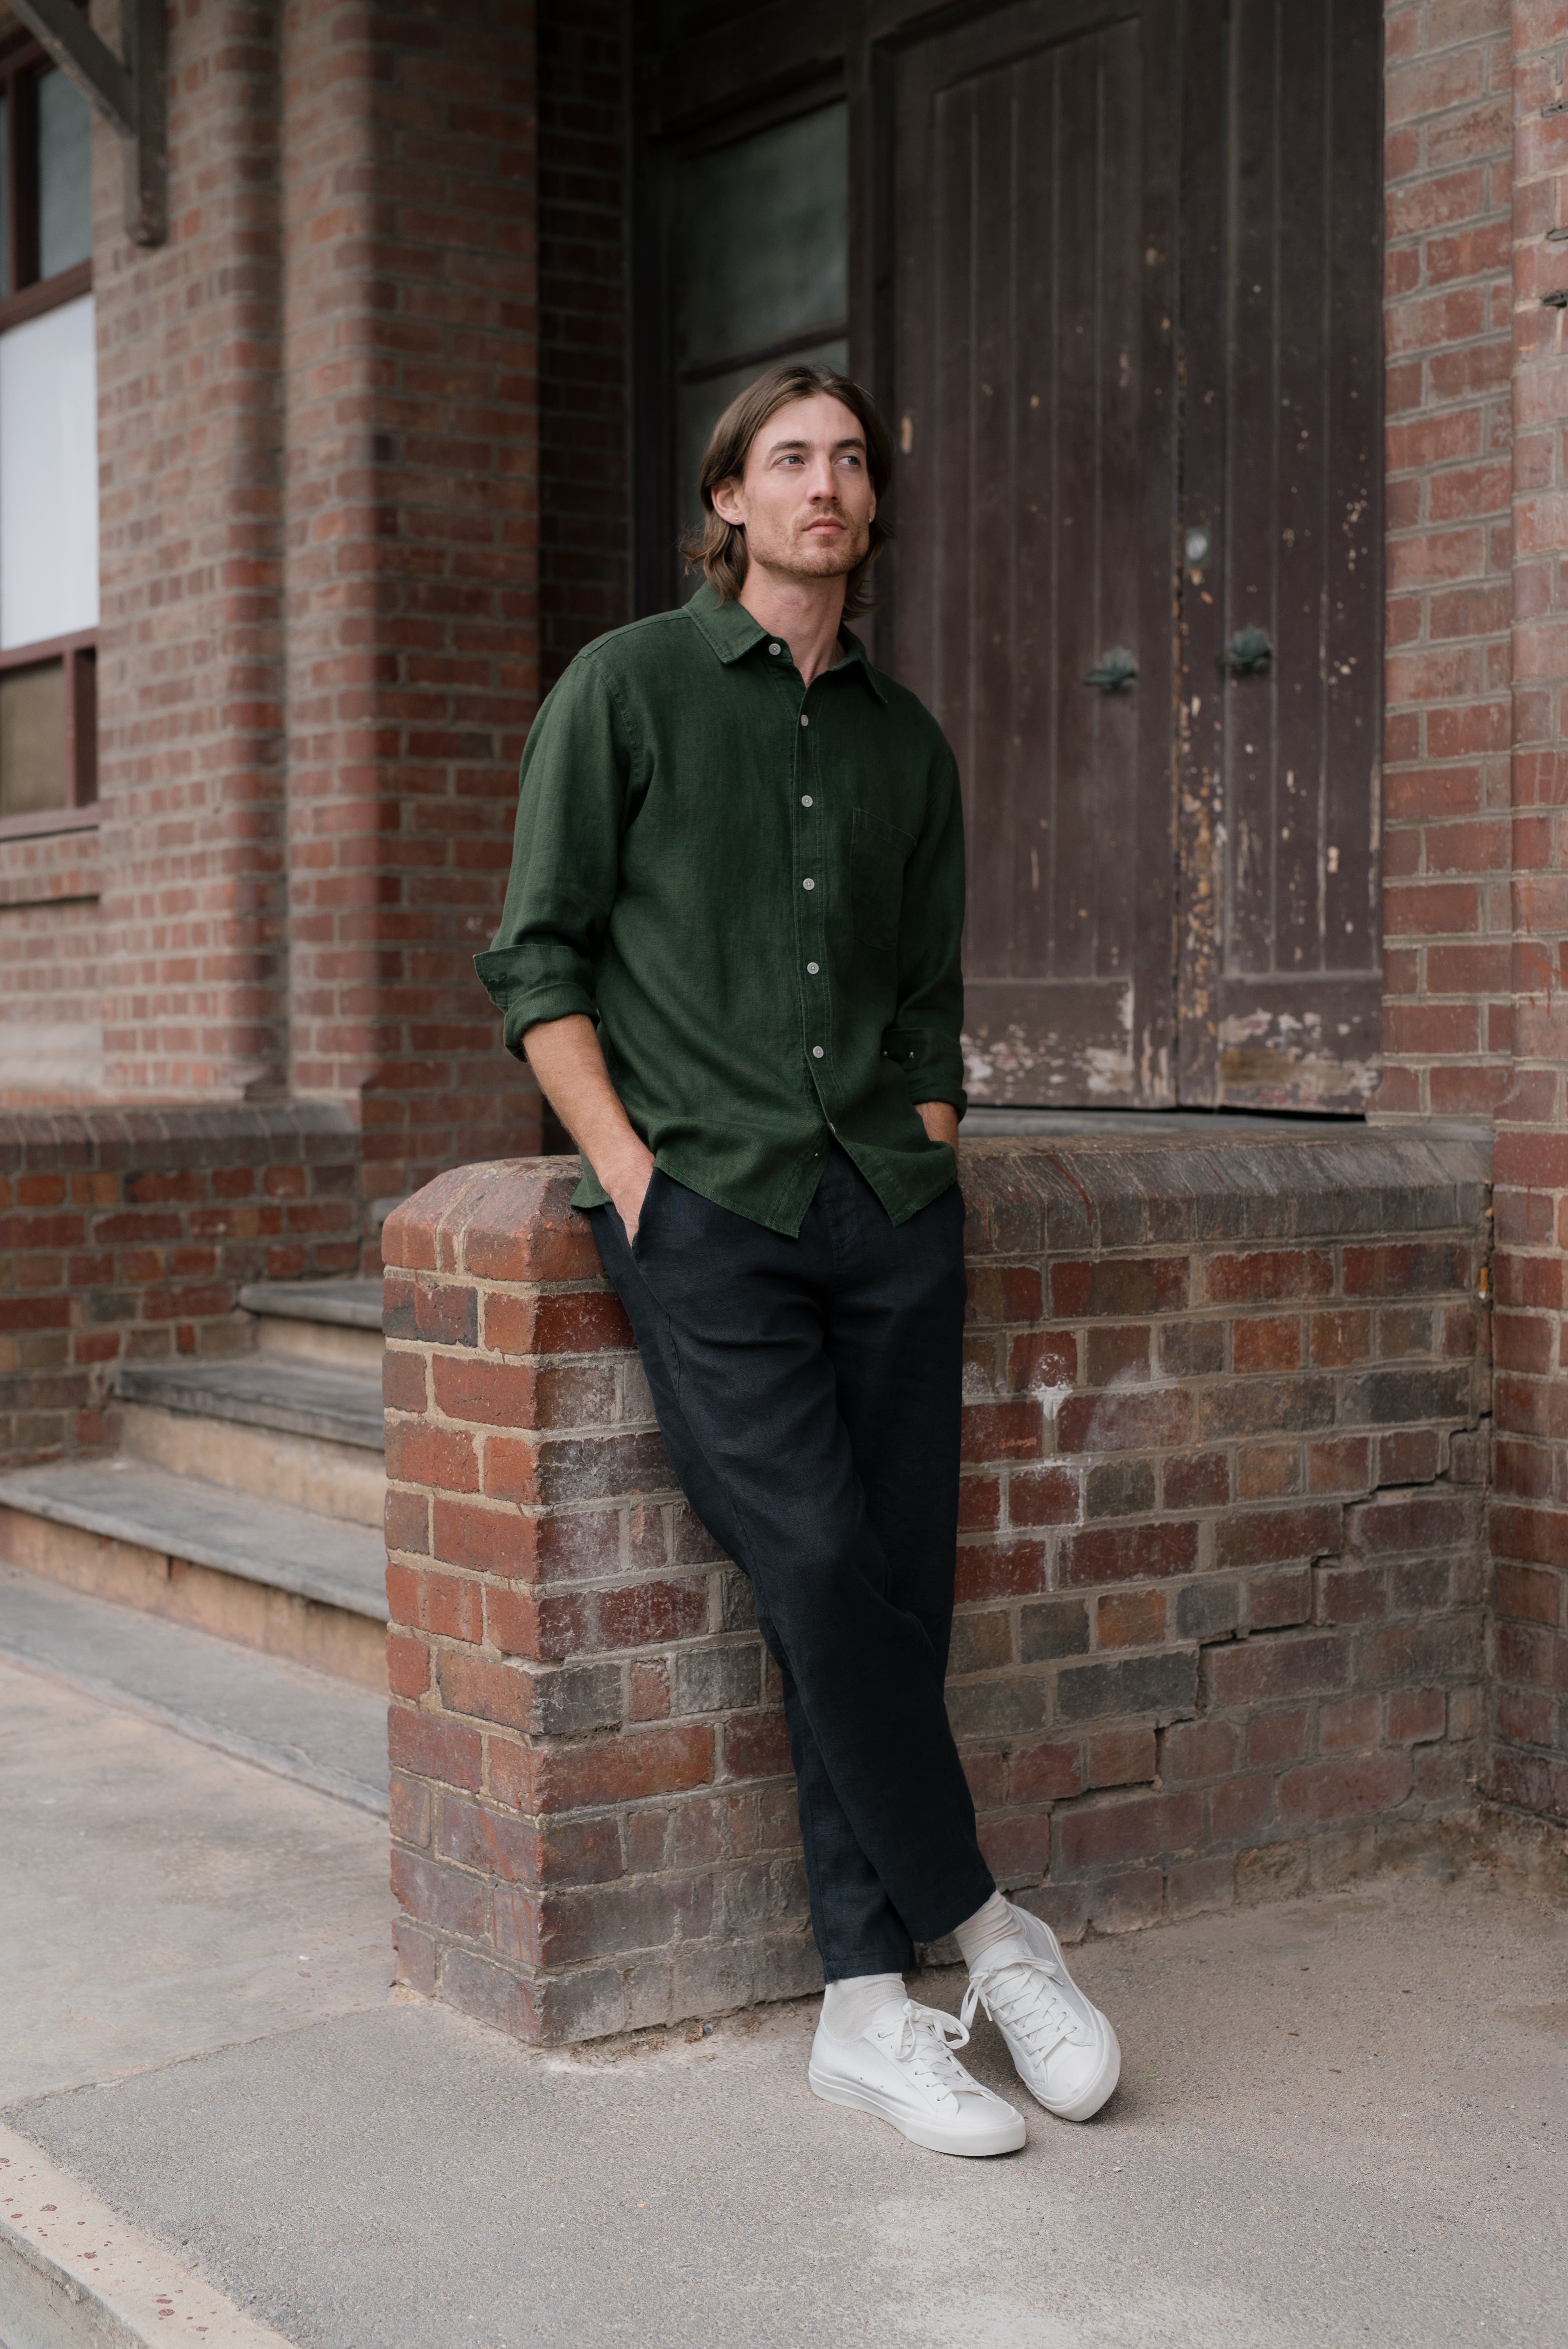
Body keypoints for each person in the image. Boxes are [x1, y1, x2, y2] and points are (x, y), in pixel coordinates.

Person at [477, 362, 1120, 2157]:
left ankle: (861, 2004)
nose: (822, 483)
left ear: (869, 505)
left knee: (892, 1588)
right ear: (729, 500)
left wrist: (925, 1144)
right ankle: (985, 1929)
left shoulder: (907, 746)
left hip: (886, 1214)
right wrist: (630, 1177)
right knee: (821, 1562)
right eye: (787, 458)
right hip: (708, 1215)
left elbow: (927, 1000)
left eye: (847, 459)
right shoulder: (625, 689)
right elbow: (535, 959)